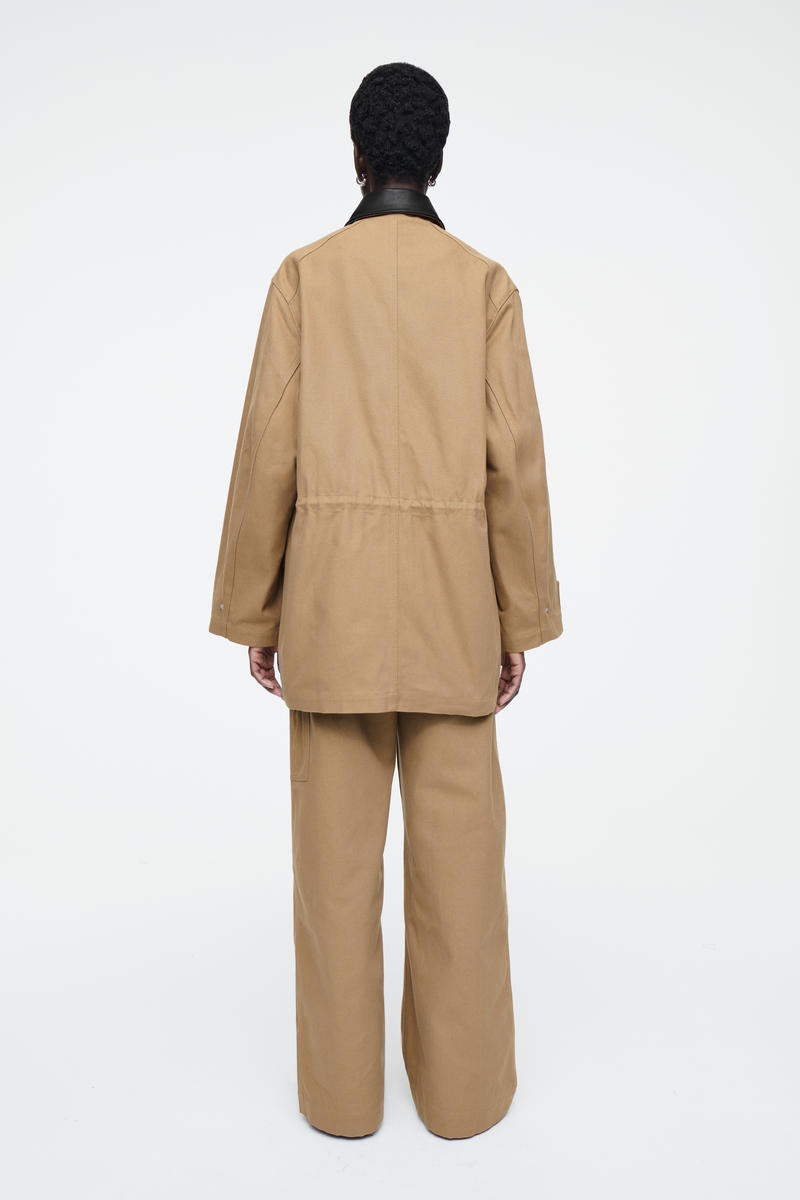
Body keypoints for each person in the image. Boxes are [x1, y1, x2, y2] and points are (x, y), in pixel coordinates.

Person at [208, 61, 564, 1140]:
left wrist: (256, 610)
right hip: (456, 614)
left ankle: (341, 1103)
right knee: (462, 879)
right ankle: (464, 1102)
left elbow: (267, 447)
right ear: (436, 158)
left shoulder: (305, 279)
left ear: (357, 155)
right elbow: (516, 462)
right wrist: (517, 620)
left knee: (331, 877)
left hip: (331, 611)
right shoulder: (485, 285)